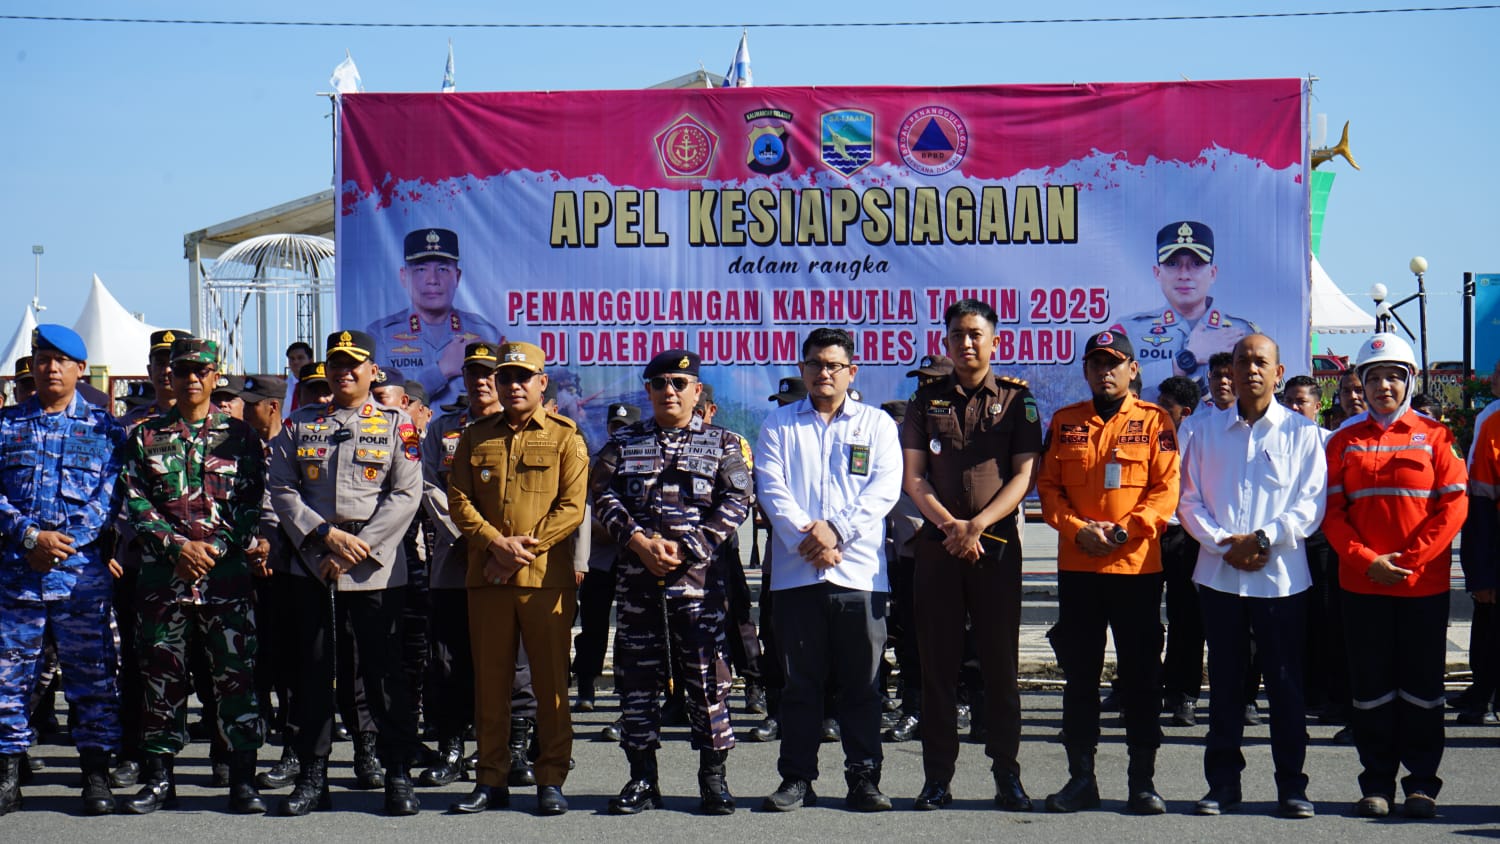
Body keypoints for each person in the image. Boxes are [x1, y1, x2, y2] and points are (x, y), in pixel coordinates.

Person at [267, 330, 425, 817]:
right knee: (312, 673)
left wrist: (357, 548)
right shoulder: (299, 424)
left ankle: (396, 772)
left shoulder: (397, 426)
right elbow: (282, 489)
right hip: (313, 564)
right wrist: (323, 537)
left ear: (372, 371)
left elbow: (406, 494)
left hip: (374, 567)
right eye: (336, 363)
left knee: (382, 675)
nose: (344, 372)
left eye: (354, 364)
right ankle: (313, 775)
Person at [591, 350, 753, 816]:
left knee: (707, 680)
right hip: (638, 584)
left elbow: (737, 499)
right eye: (660, 383)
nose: (670, 391)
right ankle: (643, 778)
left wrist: (691, 547)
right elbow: (601, 494)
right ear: (648, 390)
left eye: (680, 384)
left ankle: (713, 779)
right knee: (637, 681)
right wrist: (638, 541)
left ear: (696, 391)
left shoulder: (722, 443)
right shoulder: (624, 443)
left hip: (699, 586)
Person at [899, 299, 1042, 812]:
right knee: (938, 669)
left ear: (994, 341)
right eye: (957, 334)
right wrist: (951, 526)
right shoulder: (925, 401)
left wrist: (978, 525)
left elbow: (1024, 474)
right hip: (939, 547)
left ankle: (1007, 775)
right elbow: (914, 476)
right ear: (946, 341)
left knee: (1000, 670)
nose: (966, 343)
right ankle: (937, 779)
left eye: (976, 334)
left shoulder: (1018, 400)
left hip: (994, 548)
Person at [115, 338, 268, 815]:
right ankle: (160, 779)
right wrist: (178, 548)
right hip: (164, 579)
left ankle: (242, 779)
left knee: (235, 678)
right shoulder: (145, 436)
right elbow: (136, 501)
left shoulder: (240, 437)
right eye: (182, 371)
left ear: (215, 376)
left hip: (225, 580)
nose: (191, 379)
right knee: (161, 678)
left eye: (201, 371)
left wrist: (214, 549)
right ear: (171, 376)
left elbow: (250, 503)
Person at [1178, 335, 1327, 819]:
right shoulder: (1204, 432)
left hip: (1281, 580)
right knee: (1224, 684)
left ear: (1279, 373)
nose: (1251, 369)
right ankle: (1222, 784)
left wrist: (1262, 538)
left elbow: (1311, 505)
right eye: (1243, 361)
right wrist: (1226, 544)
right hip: (1220, 576)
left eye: (1261, 361)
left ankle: (1292, 786)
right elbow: (1188, 500)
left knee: (1285, 685)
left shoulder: (1302, 434)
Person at [754, 329, 902, 813]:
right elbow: (772, 489)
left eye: (834, 365)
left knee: (863, 684)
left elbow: (884, 489)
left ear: (851, 371)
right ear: (802, 369)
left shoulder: (877, 425)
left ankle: (864, 779)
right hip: (797, 575)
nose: (824, 372)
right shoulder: (779, 424)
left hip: (858, 576)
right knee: (799, 685)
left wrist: (835, 532)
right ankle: (797, 778)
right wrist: (812, 540)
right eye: (815, 363)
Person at [1321, 332, 1467, 819]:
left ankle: (1422, 783)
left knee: (1423, 689)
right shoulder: (1344, 441)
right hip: (1362, 585)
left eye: (1393, 377)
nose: (1384, 386)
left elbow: (1454, 506)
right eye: (1374, 377)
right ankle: (1377, 782)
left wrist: (1411, 560)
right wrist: (1367, 560)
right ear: (1361, 383)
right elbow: (1332, 513)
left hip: (1422, 586)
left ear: (1410, 381)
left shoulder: (1437, 436)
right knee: (1371, 690)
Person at [1036, 328, 1179, 815]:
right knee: (1080, 677)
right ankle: (1081, 779)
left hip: (1136, 567)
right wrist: (1077, 529)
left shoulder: (1155, 420)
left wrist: (1122, 532)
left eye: (1114, 363)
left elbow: (1166, 489)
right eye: (1097, 363)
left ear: (1133, 369)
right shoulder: (1066, 421)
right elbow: (1048, 488)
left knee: (1141, 676)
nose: (1105, 371)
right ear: (1086, 371)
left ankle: (1143, 782)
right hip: (1079, 567)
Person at [444, 341, 587, 817]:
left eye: (523, 377)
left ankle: (551, 778)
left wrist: (518, 552)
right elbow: (459, 499)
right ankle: (491, 778)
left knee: (551, 686)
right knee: (490, 684)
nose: (513, 385)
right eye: (504, 377)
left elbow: (572, 507)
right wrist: (494, 544)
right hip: (488, 577)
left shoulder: (565, 436)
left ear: (542, 382)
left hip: (545, 581)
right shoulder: (474, 436)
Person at [0, 325, 127, 817]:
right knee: (9, 680)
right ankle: (8, 774)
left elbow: (109, 499)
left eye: (61, 360)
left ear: (80, 369)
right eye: (42, 359)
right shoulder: (7, 426)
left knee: (92, 678)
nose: (50, 368)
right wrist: (31, 537)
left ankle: (95, 774)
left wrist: (59, 545)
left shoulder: (105, 429)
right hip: (18, 575)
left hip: (79, 580)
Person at [1282, 375, 1353, 734]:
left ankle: (1329, 692)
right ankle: (1304, 691)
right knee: (1295, 618)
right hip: (1285, 540)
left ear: (1317, 405)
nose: (1295, 407)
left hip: (1323, 538)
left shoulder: (1329, 441)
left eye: (1302, 401)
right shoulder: (1274, 439)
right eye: (1289, 401)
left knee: (1326, 617)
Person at [1117, 222, 1257, 396]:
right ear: (1157, 273)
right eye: (1172, 263)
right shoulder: (1129, 331)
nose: (1184, 275)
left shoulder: (1242, 333)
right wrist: (1184, 360)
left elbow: (1261, 394)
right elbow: (1109, 388)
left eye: (1197, 263)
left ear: (1212, 273)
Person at [366, 228, 499, 409]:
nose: (433, 280)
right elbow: (378, 398)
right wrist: (442, 370)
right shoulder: (380, 335)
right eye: (421, 269)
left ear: (457, 277)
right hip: (405, 428)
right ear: (404, 276)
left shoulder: (485, 333)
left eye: (443, 269)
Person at [1154, 375, 1204, 726]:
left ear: (1184, 412)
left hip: (1186, 537)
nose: (1157, 409)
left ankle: (1184, 695)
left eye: (1165, 406)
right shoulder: (1146, 432)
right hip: (1149, 533)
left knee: (1186, 619)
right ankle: (1136, 689)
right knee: (1140, 618)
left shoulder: (1201, 438)